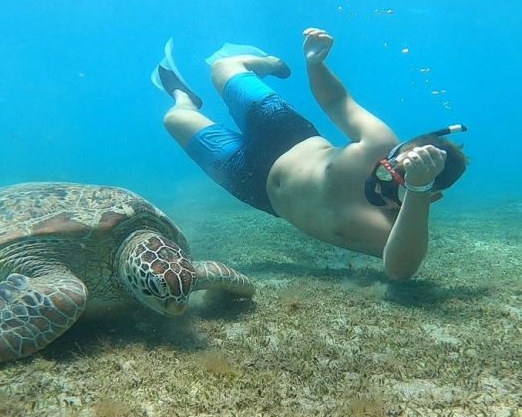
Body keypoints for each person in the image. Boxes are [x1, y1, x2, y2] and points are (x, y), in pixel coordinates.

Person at [152, 27, 468, 280]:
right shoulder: (379, 141)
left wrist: (418, 187)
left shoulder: (388, 228)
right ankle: (269, 64)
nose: (381, 178)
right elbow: (337, 102)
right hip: (284, 132)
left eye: (397, 182)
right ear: (394, 151)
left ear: (429, 197)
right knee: (222, 68)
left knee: (174, 118)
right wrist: (316, 64)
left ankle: (182, 96)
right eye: (388, 167)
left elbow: (400, 270)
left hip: (253, 183)